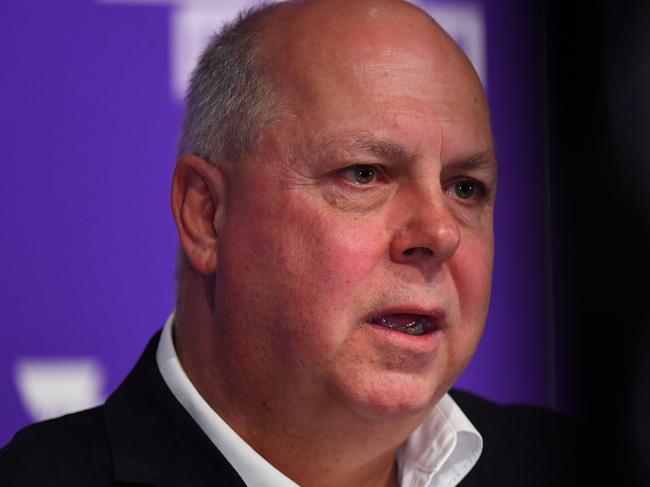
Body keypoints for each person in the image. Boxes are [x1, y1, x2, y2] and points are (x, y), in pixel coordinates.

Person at [0, 0, 589, 485]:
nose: (439, 233)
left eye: (466, 187)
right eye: (365, 174)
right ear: (207, 215)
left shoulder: (573, 466)